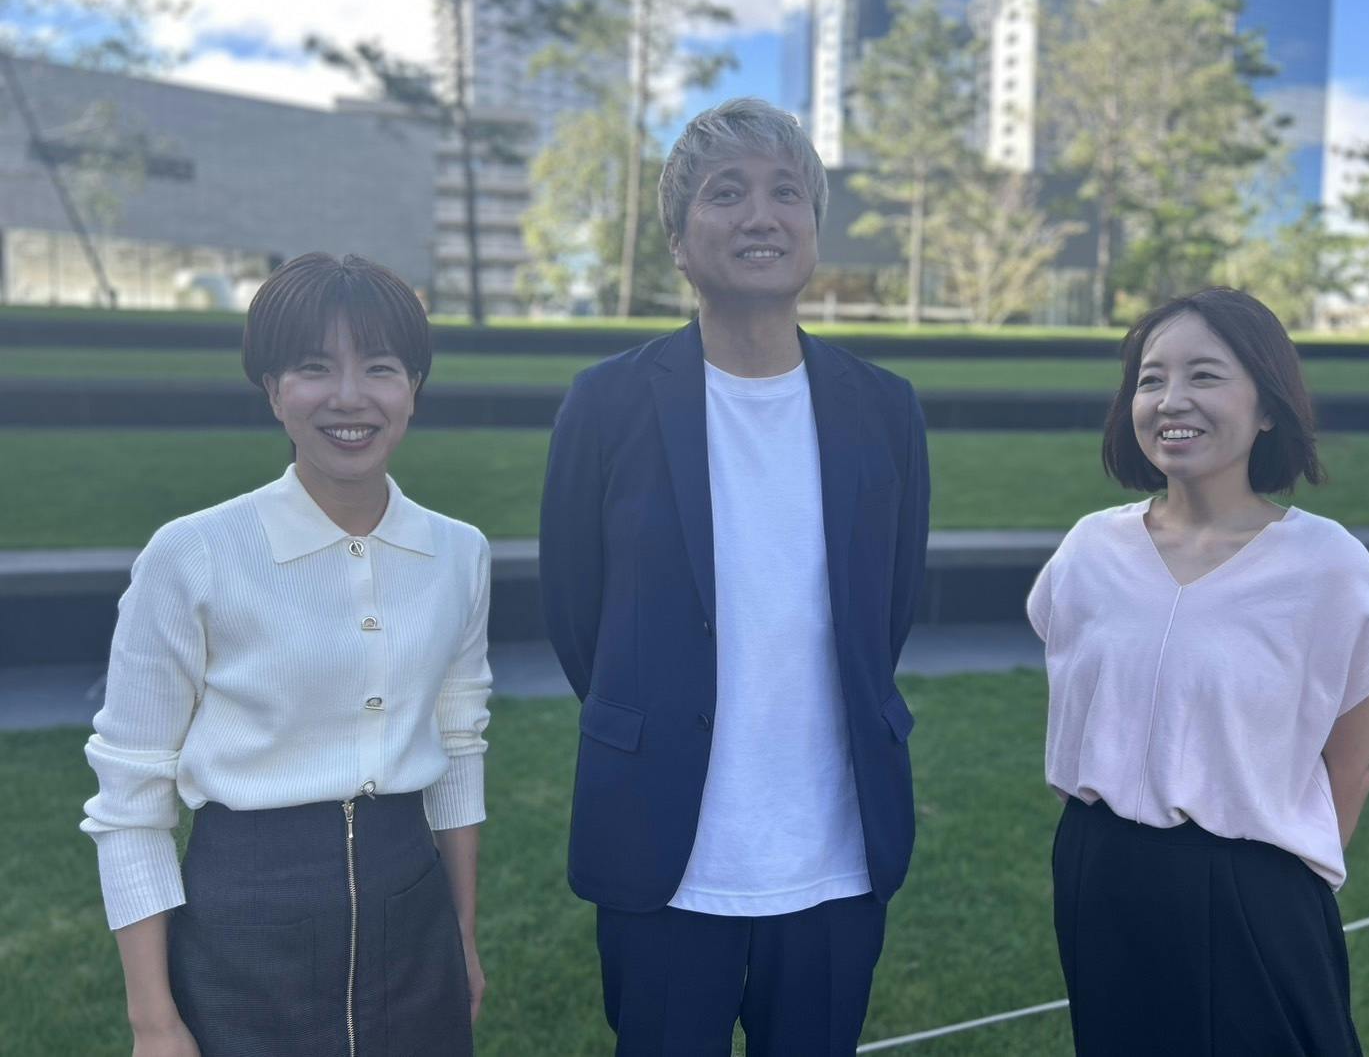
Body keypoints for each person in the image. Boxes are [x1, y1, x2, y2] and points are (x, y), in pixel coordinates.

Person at [539, 97, 930, 1055]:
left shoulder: (884, 409)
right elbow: (577, 616)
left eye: (785, 192)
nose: (761, 215)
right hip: (664, 855)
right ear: (678, 241)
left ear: (813, 228)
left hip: (834, 858)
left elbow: (886, 612)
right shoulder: (606, 404)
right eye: (726, 193)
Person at [81, 253, 492, 1057]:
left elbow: (459, 747)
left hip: (416, 924)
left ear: (413, 388)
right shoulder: (193, 555)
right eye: (313, 367)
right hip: (242, 932)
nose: (349, 396)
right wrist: (153, 1022)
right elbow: (131, 798)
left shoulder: (459, 553)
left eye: (379, 368)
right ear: (273, 390)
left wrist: (463, 938)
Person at [1028, 288, 1369, 1055]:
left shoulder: (1325, 565)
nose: (1170, 400)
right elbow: (1079, 713)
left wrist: (1262, 874)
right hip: (1100, 874)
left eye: (1203, 375)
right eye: (1150, 379)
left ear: (1266, 405)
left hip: (1252, 888)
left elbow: (1353, 762)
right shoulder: (1088, 550)